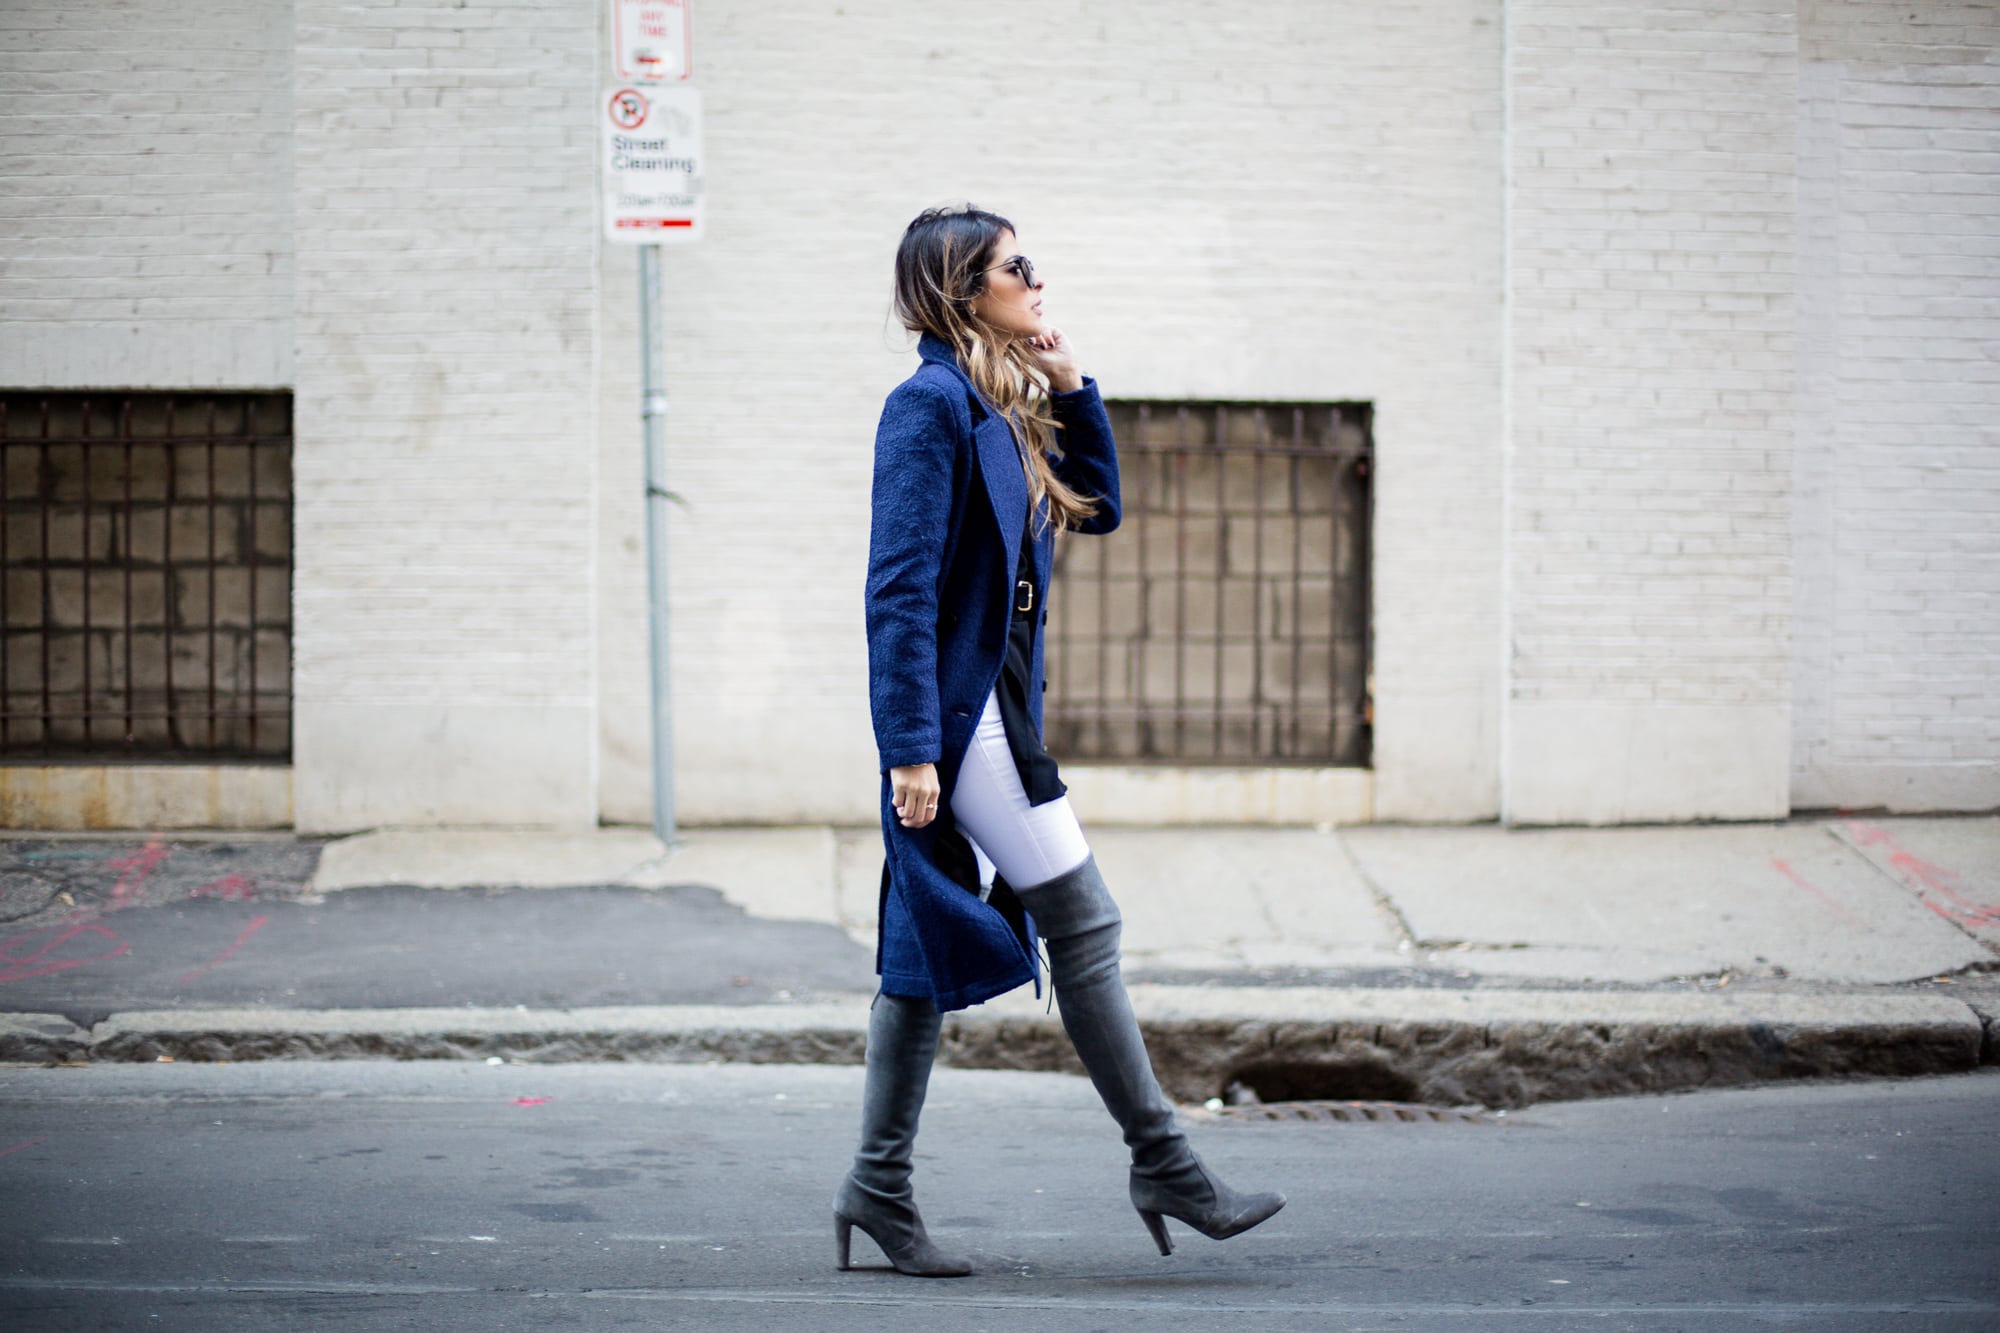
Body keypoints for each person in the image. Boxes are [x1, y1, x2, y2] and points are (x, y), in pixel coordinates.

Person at [834, 204, 1286, 1278]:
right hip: (959, 722)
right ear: (961, 288)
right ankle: (1164, 1161)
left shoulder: (998, 400)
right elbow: (895, 593)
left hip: (998, 713)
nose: (1036, 281)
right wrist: (907, 749)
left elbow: (1101, 510)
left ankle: (876, 1187)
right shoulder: (926, 407)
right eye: (1015, 268)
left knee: (916, 960)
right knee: (1083, 921)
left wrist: (1073, 384)